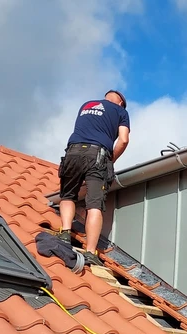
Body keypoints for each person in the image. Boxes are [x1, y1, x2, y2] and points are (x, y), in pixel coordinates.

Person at [56, 89, 131, 266]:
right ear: (120, 102)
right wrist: (111, 159)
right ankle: (90, 252)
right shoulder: (121, 112)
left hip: (72, 152)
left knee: (67, 195)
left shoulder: (86, 105)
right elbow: (124, 139)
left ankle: (65, 232)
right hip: (97, 154)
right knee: (94, 204)